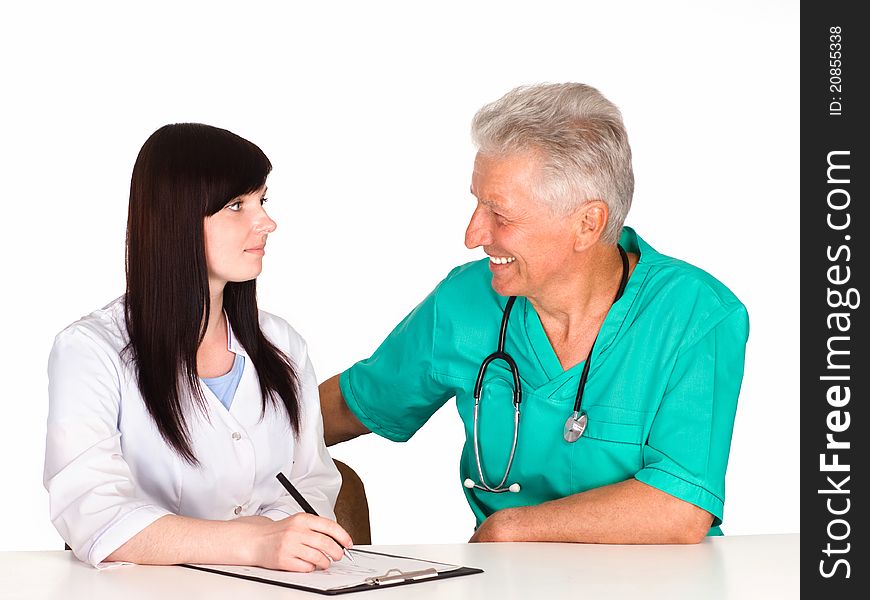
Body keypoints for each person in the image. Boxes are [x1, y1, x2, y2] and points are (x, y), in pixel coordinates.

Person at [319, 83, 749, 544]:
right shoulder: (466, 299)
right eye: (476, 202)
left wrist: (510, 528)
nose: (472, 234)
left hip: (658, 583)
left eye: (499, 215)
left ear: (588, 223)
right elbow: (356, 403)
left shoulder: (695, 314)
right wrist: (240, 439)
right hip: (510, 582)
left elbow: (679, 509)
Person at [44, 123, 353, 569]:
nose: (267, 221)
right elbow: (93, 514)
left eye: (261, 200)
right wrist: (252, 545)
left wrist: (282, 540)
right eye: (236, 205)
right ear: (176, 219)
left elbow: (311, 485)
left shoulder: (282, 343)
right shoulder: (89, 351)